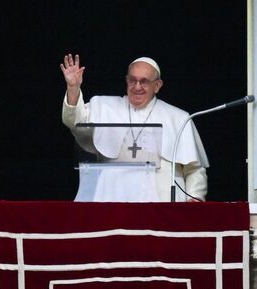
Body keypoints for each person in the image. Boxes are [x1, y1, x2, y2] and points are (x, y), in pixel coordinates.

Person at [60, 54, 208, 202]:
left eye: (144, 82)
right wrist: (73, 87)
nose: (137, 87)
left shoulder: (178, 117)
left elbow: (194, 168)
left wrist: (194, 198)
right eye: (132, 80)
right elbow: (74, 120)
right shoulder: (104, 106)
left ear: (157, 86)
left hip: (162, 202)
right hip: (112, 197)